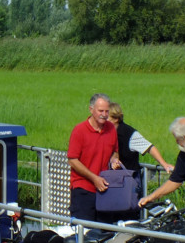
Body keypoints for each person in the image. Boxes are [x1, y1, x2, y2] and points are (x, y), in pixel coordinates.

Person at [67, 93, 122, 223]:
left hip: (104, 188)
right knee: (84, 233)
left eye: (107, 111)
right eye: (100, 111)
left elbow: (115, 152)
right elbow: (72, 160)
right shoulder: (79, 130)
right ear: (91, 110)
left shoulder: (111, 129)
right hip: (83, 189)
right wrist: (94, 178)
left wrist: (114, 160)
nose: (104, 114)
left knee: (105, 232)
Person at [108, 101, 174, 174]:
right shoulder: (103, 132)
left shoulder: (130, 134)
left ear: (116, 118)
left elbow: (149, 147)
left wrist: (164, 164)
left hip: (128, 179)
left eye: (107, 116)